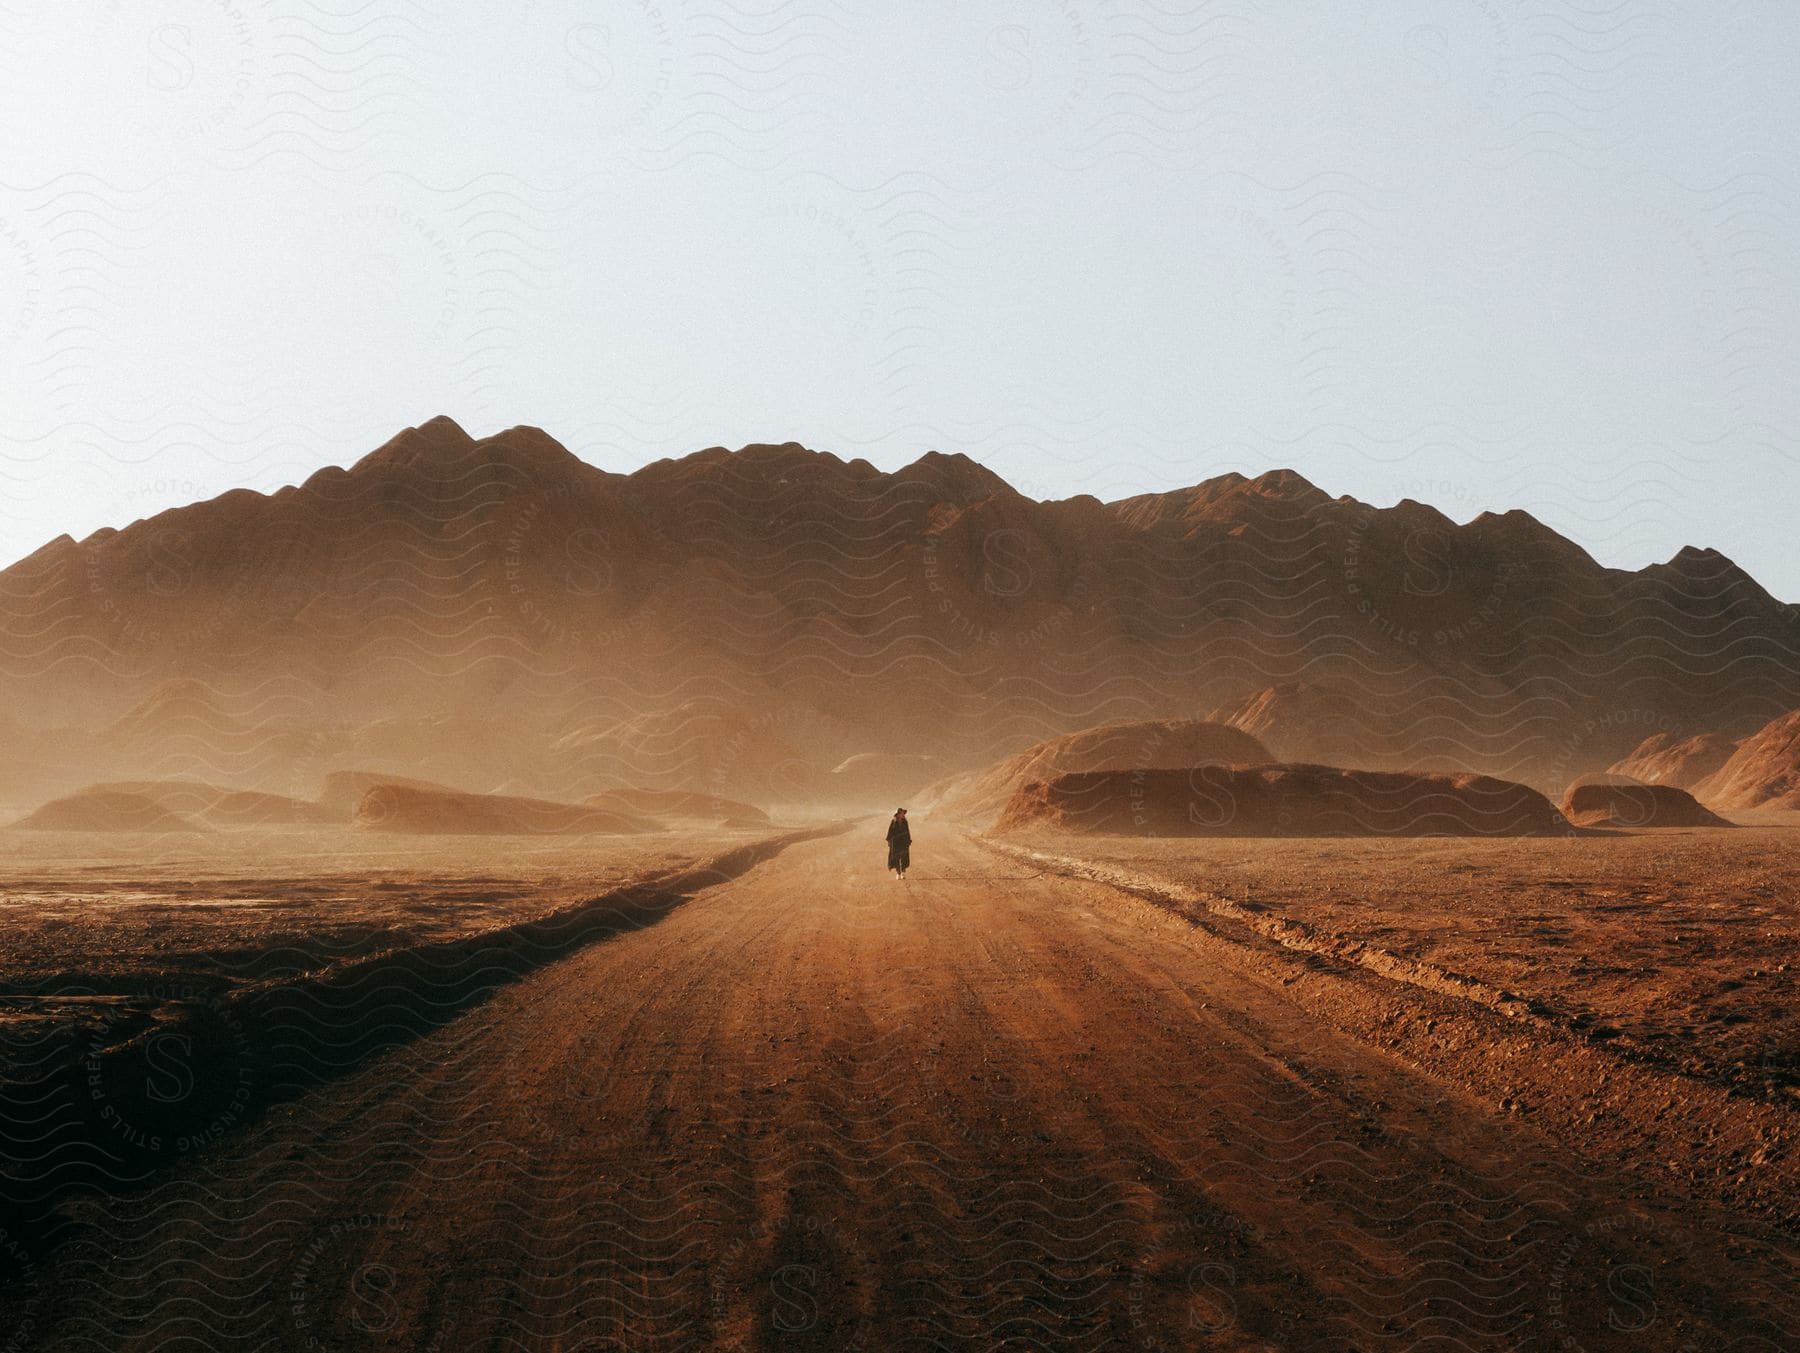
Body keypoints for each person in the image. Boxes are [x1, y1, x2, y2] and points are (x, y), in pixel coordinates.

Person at [886, 807, 911, 879]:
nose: (903, 814)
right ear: (898, 814)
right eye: (902, 813)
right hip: (896, 843)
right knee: (896, 858)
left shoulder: (905, 822)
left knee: (904, 857)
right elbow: (890, 832)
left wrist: (908, 840)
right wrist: (890, 841)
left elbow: (907, 831)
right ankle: (898, 873)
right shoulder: (893, 822)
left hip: (903, 842)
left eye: (903, 813)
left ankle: (903, 873)